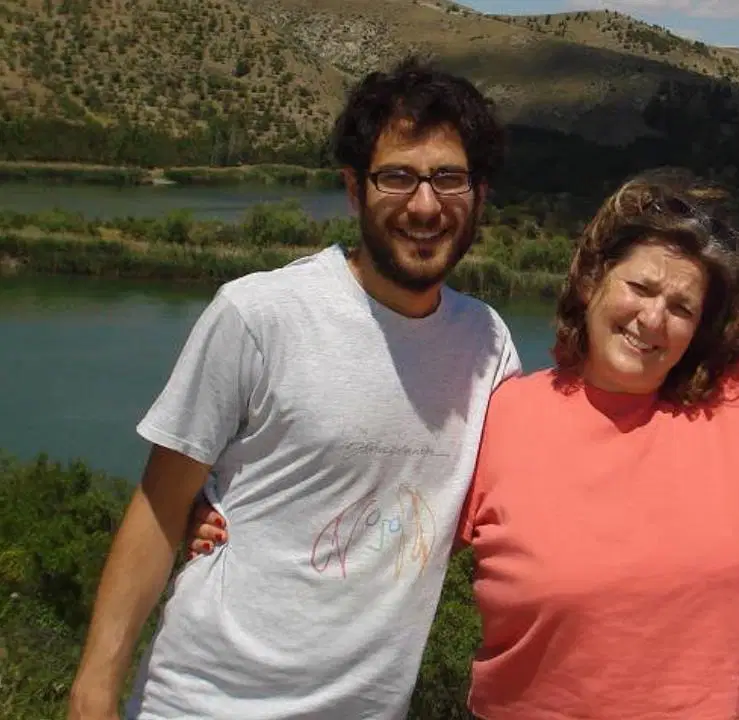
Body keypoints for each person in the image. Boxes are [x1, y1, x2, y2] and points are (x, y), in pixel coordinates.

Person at [187, 170, 739, 718]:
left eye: (682, 307)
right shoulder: (503, 413)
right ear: (592, 281)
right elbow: (376, 527)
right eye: (639, 287)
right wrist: (227, 506)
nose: (652, 319)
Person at [68, 55, 521, 720]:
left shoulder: (488, 344)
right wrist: (93, 692)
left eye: (448, 179)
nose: (425, 205)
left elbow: (494, 509)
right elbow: (162, 507)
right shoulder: (260, 315)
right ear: (353, 188)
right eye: (397, 177)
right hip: (203, 703)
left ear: (479, 194)